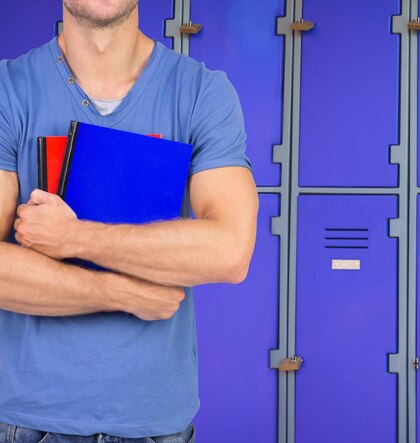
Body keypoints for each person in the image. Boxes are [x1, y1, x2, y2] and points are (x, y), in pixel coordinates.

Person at [0, 0, 259, 442]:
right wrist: (120, 292)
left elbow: (230, 252)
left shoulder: (201, 93)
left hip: (156, 425)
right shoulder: (9, 90)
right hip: (29, 423)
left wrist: (74, 237)